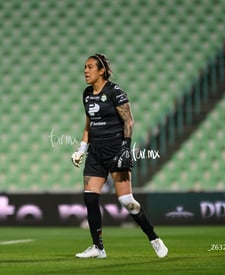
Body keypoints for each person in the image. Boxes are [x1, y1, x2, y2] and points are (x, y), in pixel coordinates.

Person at [71, 53, 168, 259]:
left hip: (116, 149)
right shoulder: (87, 94)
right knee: (89, 198)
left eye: (90, 67)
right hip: (96, 152)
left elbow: (129, 121)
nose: (86, 71)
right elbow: (89, 125)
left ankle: (153, 237)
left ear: (101, 70)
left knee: (126, 200)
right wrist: (80, 149)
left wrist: (125, 148)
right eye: (85, 67)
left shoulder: (115, 92)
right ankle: (98, 247)